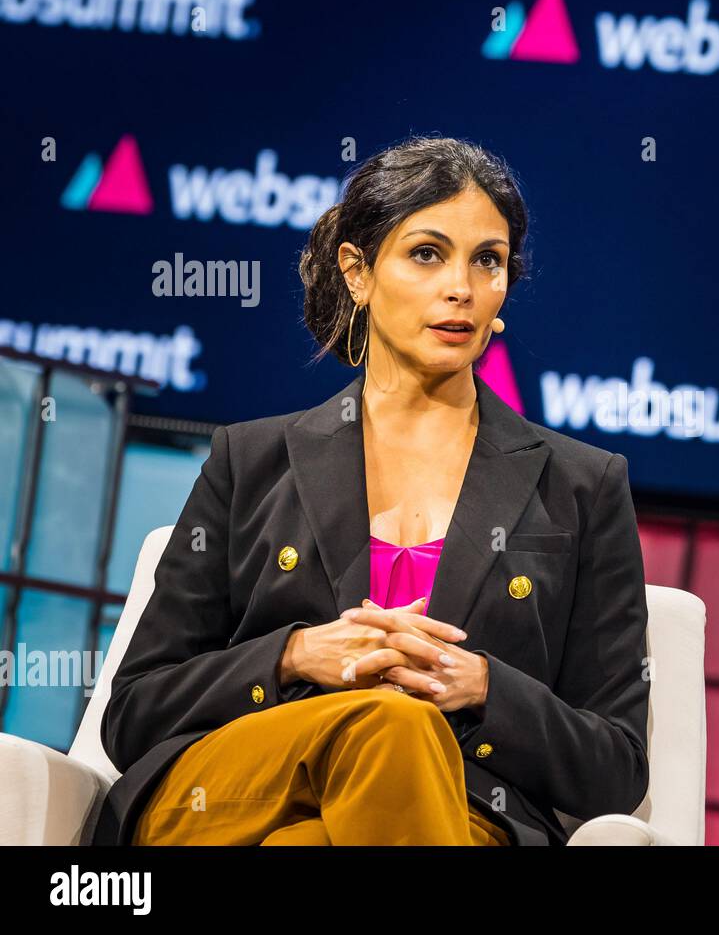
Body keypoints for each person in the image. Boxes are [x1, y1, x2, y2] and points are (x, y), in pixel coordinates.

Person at [92, 135, 652, 846]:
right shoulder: (253, 460)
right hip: (231, 796)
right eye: (427, 253)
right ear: (357, 271)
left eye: (488, 260)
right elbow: (134, 711)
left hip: (456, 809)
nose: (462, 287)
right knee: (390, 720)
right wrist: (294, 657)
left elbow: (616, 767)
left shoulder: (580, 487)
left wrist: (481, 686)